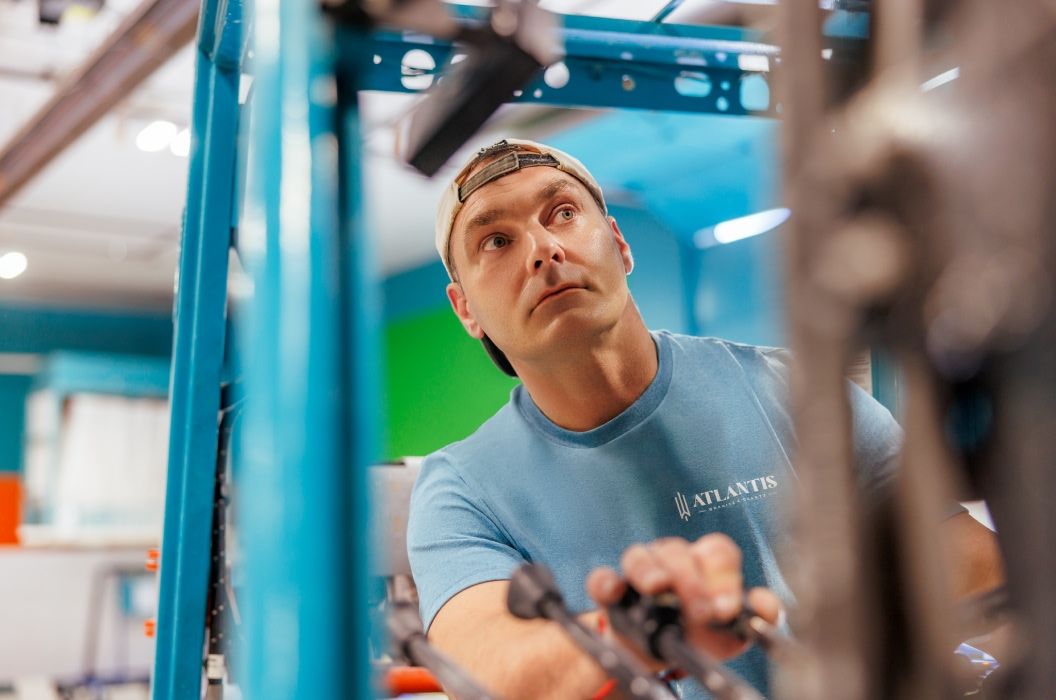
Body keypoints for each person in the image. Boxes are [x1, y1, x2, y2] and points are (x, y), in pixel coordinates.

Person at [406, 139, 1003, 699]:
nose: (543, 249)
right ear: (466, 311)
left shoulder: (793, 391)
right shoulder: (461, 488)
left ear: (619, 242)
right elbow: (481, 667)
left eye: (561, 213)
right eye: (496, 242)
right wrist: (642, 630)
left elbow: (966, 561)